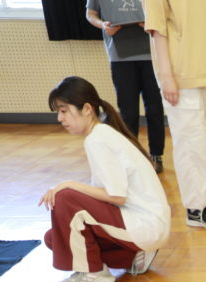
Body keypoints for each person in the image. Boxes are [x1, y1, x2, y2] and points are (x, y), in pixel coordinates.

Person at [39, 76, 170, 282]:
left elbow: (117, 197)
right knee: (55, 238)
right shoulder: (101, 134)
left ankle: (93, 273)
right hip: (147, 227)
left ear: (87, 109)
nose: (59, 118)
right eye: (58, 112)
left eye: (64, 111)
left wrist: (69, 185)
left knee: (65, 197)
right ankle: (134, 256)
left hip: (144, 225)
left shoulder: (98, 139)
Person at [142, 0, 206, 230]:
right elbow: (157, 31)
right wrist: (167, 77)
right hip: (181, 76)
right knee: (191, 145)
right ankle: (196, 208)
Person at [85, 0, 166, 173]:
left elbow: (166, 11)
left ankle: (156, 154)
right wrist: (103, 25)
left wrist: (152, 22)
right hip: (120, 57)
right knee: (128, 112)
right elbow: (90, 14)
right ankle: (132, 155)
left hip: (151, 54)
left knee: (155, 109)